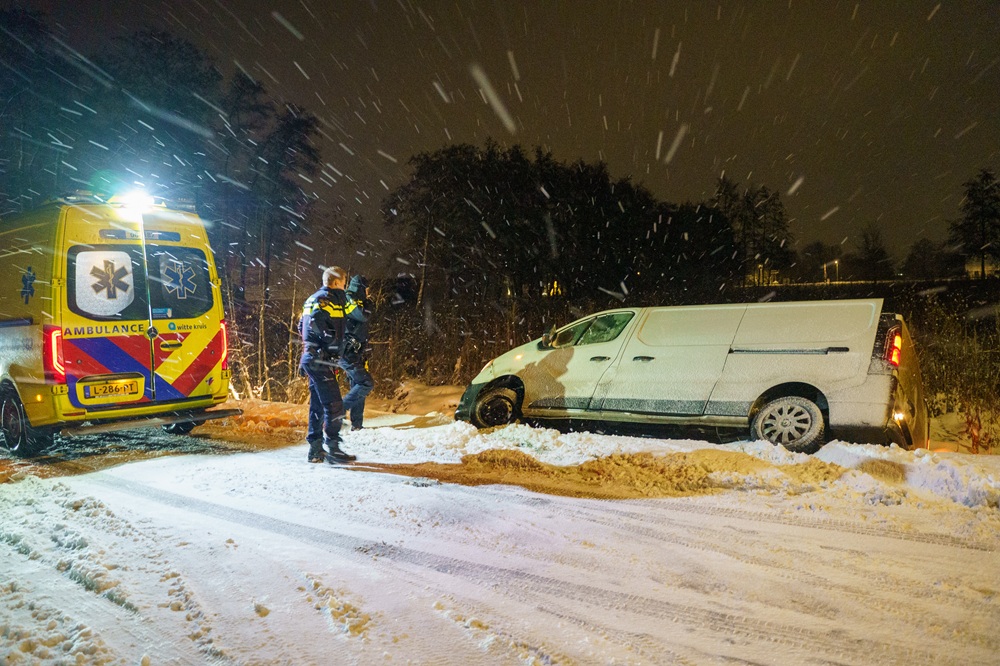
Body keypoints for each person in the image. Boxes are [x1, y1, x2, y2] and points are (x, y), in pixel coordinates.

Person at [299, 266, 356, 463]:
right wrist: (332, 344)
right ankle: (333, 448)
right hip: (319, 360)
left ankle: (315, 450)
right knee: (334, 405)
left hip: (314, 358)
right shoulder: (327, 300)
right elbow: (316, 322)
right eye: (344, 281)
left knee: (317, 405)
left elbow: (302, 325)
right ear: (337, 282)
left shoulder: (312, 298)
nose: (345, 284)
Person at [339, 275, 374, 430]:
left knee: (357, 385)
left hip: (356, 350)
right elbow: (362, 315)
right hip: (346, 351)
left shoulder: (358, 300)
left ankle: (357, 424)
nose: (368, 292)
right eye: (366, 289)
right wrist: (368, 304)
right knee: (365, 383)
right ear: (360, 287)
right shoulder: (348, 298)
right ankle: (338, 411)